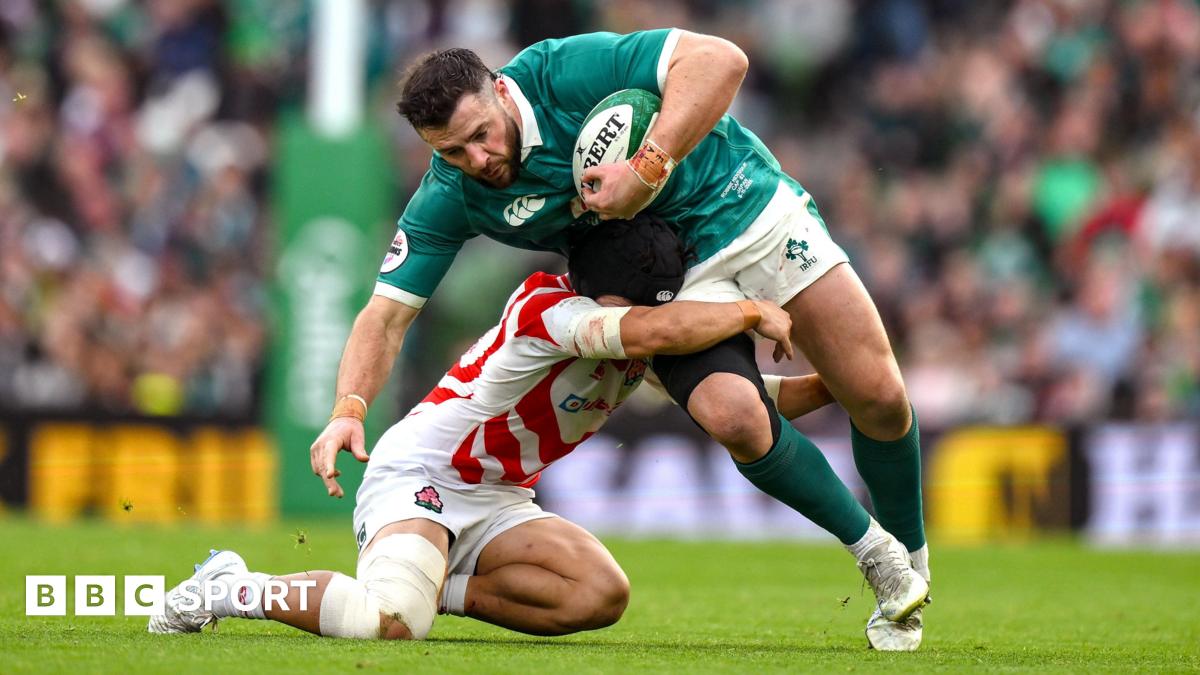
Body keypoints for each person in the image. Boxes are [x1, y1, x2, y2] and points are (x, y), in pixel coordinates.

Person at [311, 29, 929, 650]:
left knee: (876, 395)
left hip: (744, 205)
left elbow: (721, 60)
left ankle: (913, 564)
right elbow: (384, 315)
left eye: (481, 135)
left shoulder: (561, 72)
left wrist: (648, 165)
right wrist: (348, 408)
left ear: (500, 91)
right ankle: (878, 560)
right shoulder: (452, 196)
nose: (477, 160)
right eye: (451, 152)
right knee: (735, 416)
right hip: (656, 279)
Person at [149, 215, 866, 639]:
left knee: (599, 594)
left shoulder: (635, 341)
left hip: (497, 497)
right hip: (424, 475)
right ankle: (230, 586)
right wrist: (747, 311)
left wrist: (843, 381)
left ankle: (440, 585)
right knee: (389, 624)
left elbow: (746, 399)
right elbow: (645, 325)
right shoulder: (548, 311)